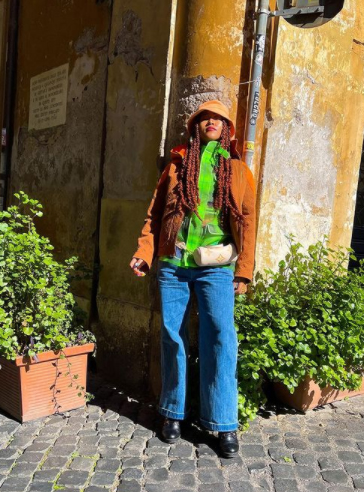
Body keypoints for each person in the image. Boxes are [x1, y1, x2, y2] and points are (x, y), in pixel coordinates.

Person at [130, 99, 256, 458]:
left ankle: (224, 421)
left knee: (221, 336)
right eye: (204, 118)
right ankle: (173, 412)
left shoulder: (238, 169)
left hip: (217, 265)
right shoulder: (176, 165)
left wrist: (244, 271)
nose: (211, 121)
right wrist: (145, 251)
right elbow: (155, 214)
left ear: (227, 129)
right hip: (174, 262)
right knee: (172, 335)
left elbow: (249, 221)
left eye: (218, 118)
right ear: (195, 127)